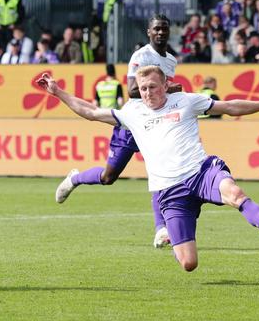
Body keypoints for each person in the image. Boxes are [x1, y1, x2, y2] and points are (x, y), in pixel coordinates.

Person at [37, 66, 259, 271]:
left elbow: (230, 106)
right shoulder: (132, 112)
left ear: (166, 85)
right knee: (188, 263)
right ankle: (167, 229)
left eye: (153, 87)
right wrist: (58, 92)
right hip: (171, 192)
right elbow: (91, 112)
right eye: (143, 89)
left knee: (235, 194)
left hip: (201, 172)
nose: (148, 93)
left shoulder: (187, 101)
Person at [55, 15, 181, 249]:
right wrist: (167, 88)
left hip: (155, 123)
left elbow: (162, 96)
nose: (161, 33)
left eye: (164, 29)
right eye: (157, 29)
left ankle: (161, 229)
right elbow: (134, 90)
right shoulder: (141, 56)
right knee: (108, 177)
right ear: (149, 32)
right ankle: (75, 178)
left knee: (160, 170)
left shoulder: (171, 60)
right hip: (132, 121)